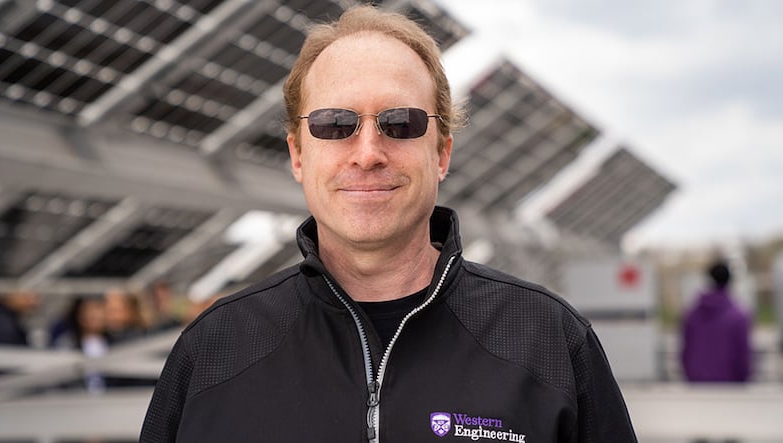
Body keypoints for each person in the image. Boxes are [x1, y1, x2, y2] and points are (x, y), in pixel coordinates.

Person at [141, 6, 637, 442]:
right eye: (335, 125)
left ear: (442, 153)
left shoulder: (548, 341)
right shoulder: (213, 351)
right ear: (297, 153)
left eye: (400, 124)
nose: (369, 153)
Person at [682, 259, 752, 383]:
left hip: (696, 385)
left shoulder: (691, 315)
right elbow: (743, 355)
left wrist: (690, 374)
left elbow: (685, 351)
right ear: (730, 281)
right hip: (731, 387)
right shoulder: (738, 316)